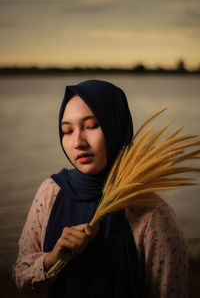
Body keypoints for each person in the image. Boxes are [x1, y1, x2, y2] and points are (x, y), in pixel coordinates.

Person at [12, 79, 188, 297]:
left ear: (116, 125)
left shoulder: (152, 213)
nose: (78, 142)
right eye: (67, 130)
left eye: (92, 126)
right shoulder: (51, 191)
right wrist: (53, 258)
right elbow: (21, 279)